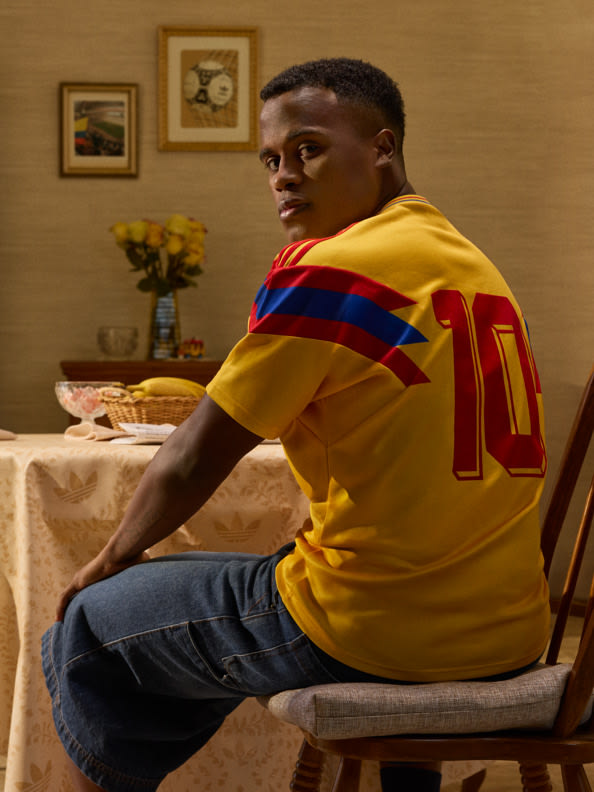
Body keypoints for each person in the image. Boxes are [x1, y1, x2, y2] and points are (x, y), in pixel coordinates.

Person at [42, 58, 550, 792]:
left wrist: (108, 559)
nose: (284, 174)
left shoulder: (330, 269)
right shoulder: (474, 266)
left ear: (382, 147)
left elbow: (191, 458)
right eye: (272, 160)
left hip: (374, 632)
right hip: (510, 628)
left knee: (91, 621)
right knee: (194, 589)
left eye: (308, 148)